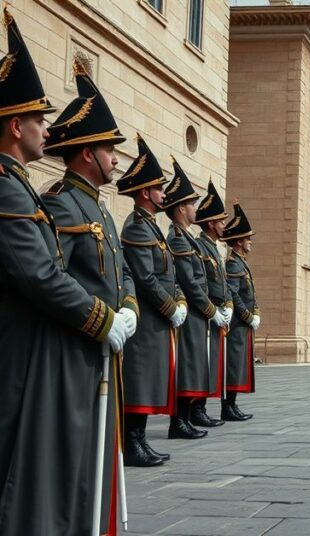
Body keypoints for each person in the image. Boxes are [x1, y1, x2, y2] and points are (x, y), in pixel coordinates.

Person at [0, 11, 131, 533]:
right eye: (38, 119)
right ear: (15, 126)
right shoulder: (9, 188)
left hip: (49, 347)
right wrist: (102, 319)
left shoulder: (20, 184)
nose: (46, 129)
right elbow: (39, 275)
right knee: (27, 468)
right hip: (26, 350)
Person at [43, 61, 146, 469]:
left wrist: (130, 308)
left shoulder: (100, 208)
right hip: (79, 349)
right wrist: (102, 320)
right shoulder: (60, 202)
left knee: (102, 458)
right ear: (88, 153)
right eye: (109, 151)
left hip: (106, 347)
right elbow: (55, 276)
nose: (116, 161)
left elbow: (122, 271)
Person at [117, 135, 185, 458]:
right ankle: (133, 442)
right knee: (140, 381)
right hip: (146, 321)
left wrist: (178, 302)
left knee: (148, 379)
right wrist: (171, 307)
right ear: (145, 192)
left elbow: (168, 274)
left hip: (156, 321)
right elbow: (145, 278)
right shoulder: (136, 227)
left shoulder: (151, 227)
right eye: (159, 188)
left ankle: (140, 439)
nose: (164, 194)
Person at [165, 159, 222, 437]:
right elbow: (189, 281)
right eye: (190, 204)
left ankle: (186, 419)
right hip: (190, 313)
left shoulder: (186, 238)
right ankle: (179, 422)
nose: (194, 210)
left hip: (198, 313)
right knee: (186, 369)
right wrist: (209, 308)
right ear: (180, 208)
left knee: (193, 367)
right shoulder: (177, 238)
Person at [194, 180, 232, 424]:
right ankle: (196, 410)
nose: (223, 226)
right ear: (210, 223)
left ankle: (201, 409)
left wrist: (227, 306)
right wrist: (213, 310)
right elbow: (199, 283)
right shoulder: (201, 247)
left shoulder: (214, 249)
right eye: (220, 221)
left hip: (217, 314)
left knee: (210, 365)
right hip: (205, 315)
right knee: (201, 364)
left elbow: (224, 284)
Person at [223, 204, 258, 420]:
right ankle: (228, 407)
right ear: (238, 242)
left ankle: (233, 405)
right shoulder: (233, 264)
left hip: (243, 324)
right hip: (237, 324)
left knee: (239, 365)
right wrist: (247, 316)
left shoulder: (241, 263)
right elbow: (234, 295)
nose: (250, 242)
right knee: (234, 366)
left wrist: (256, 313)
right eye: (247, 238)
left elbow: (250, 293)